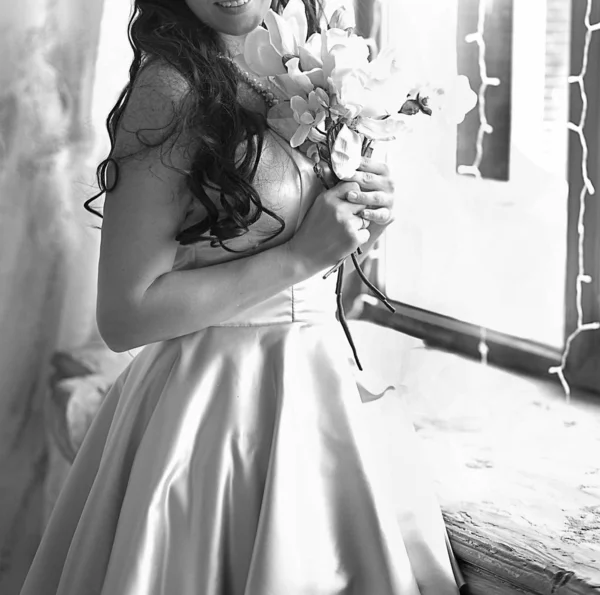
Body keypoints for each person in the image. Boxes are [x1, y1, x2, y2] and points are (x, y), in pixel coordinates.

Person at [20, 0, 466, 593]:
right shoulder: (170, 90)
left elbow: (302, 241)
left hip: (319, 391)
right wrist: (299, 257)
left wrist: (364, 216)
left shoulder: (304, 59)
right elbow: (124, 314)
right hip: (214, 417)